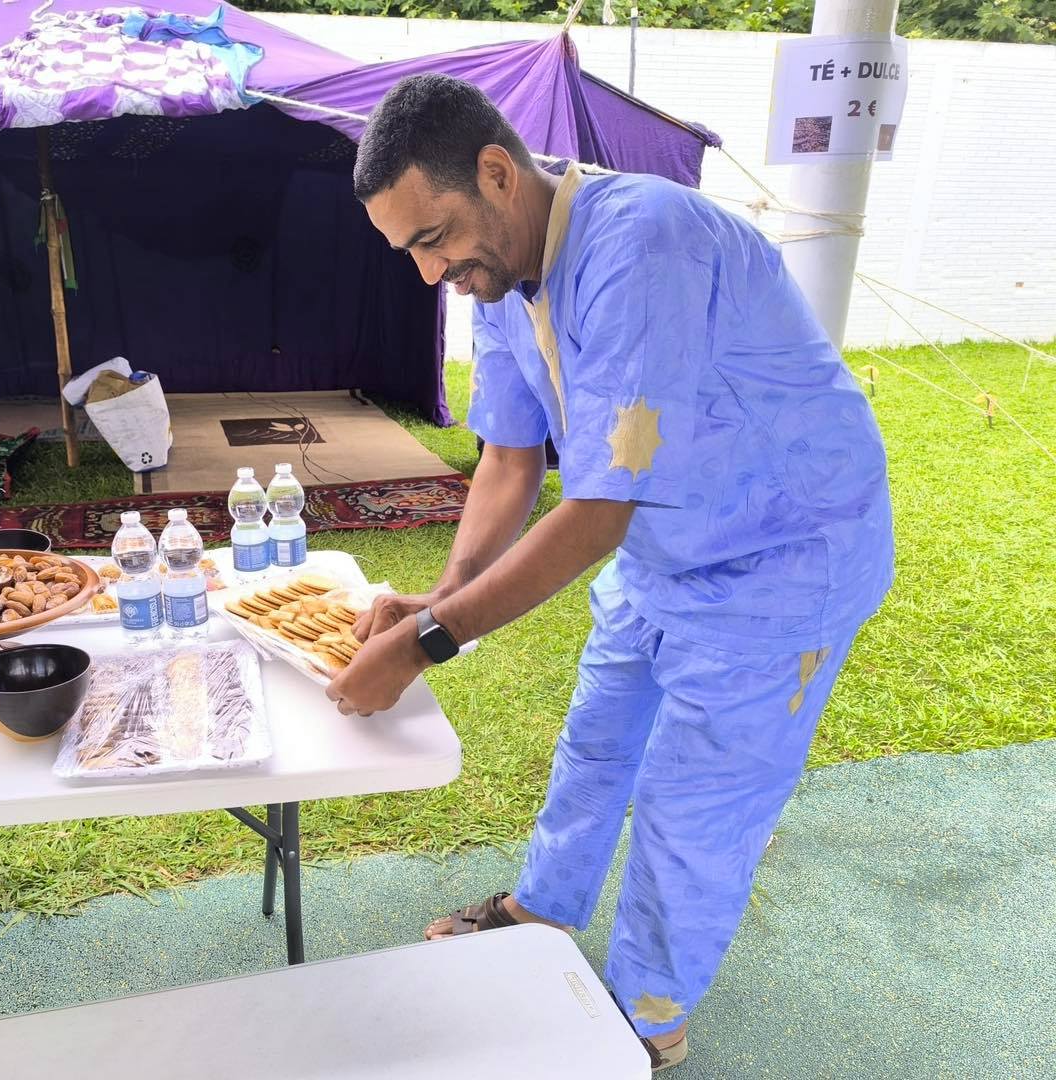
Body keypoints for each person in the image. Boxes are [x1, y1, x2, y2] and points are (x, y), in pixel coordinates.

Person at [329, 75, 893, 1072]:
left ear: (497, 174)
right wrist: (443, 594)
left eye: (433, 239)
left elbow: (595, 514)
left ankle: (643, 1023)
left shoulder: (645, 244)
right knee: (594, 748)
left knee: (691, 809)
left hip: (786, 559)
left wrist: (425, 644)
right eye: (410, 251)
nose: (429, 273)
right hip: (666, 555)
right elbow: (511, 460)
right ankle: (543, 910)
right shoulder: (497, 272)